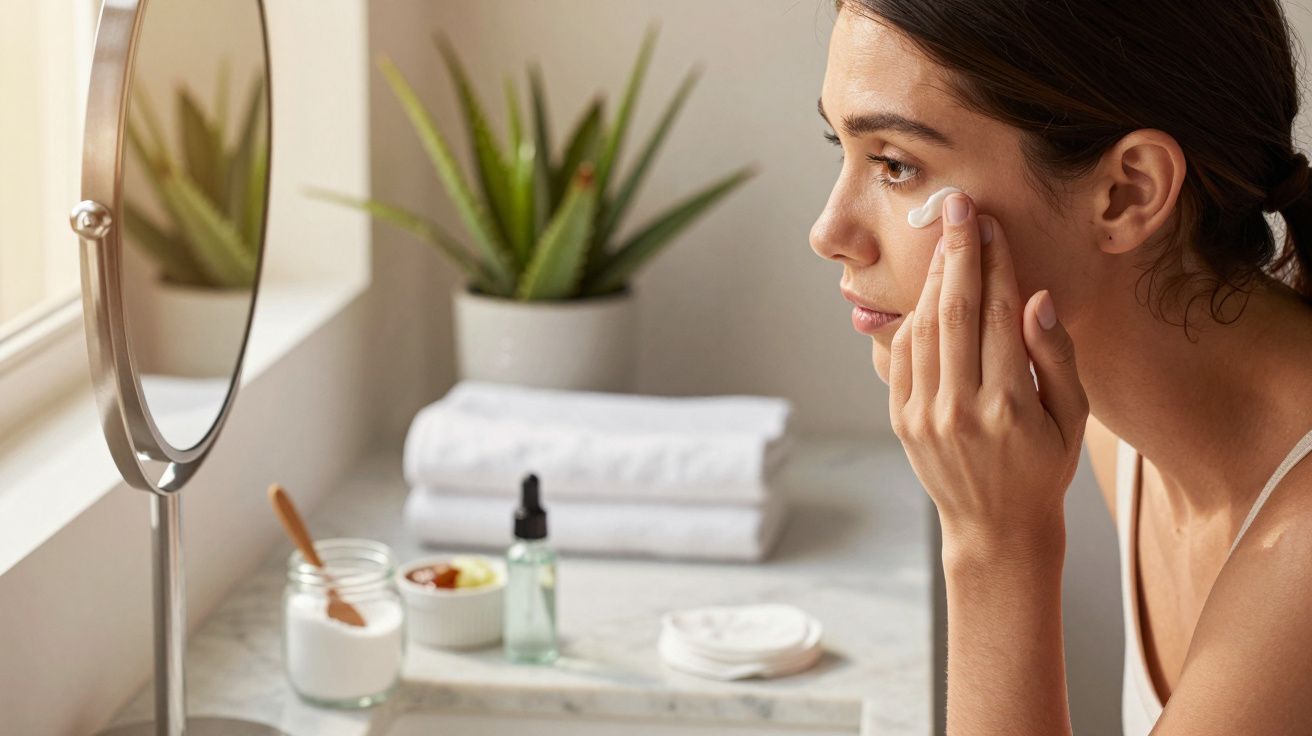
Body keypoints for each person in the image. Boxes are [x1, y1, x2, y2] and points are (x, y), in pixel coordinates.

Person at [808, 1, 1312, 733]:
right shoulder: (1122, 435)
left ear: (1127, 193)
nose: (830, 232)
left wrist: (995, 546)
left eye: (895, 164)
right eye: (843, 146)